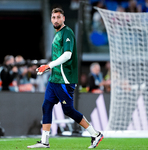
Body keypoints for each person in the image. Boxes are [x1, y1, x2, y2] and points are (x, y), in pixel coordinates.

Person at [27, 8, 103, 149]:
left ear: (63, 18)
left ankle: (95, 134)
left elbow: (68, 55)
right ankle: (45, 141)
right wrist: (48, 68)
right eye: (53, 17)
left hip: (65, 80)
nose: (55, 20)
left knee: (68, 110)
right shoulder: (57, 34)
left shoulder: (67, 32)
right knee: (46, 106)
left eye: (58, 17)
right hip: (54, 79)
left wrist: (48, 65)